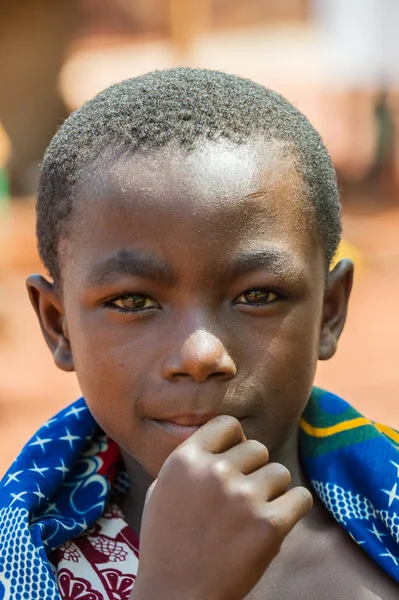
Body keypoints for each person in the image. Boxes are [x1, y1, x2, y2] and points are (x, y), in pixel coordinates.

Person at [0, 68, 398, 600]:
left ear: (329, 311)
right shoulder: (25, 563)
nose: (201, 354)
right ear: (58, 325)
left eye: (258, 295)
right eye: (132, 301)